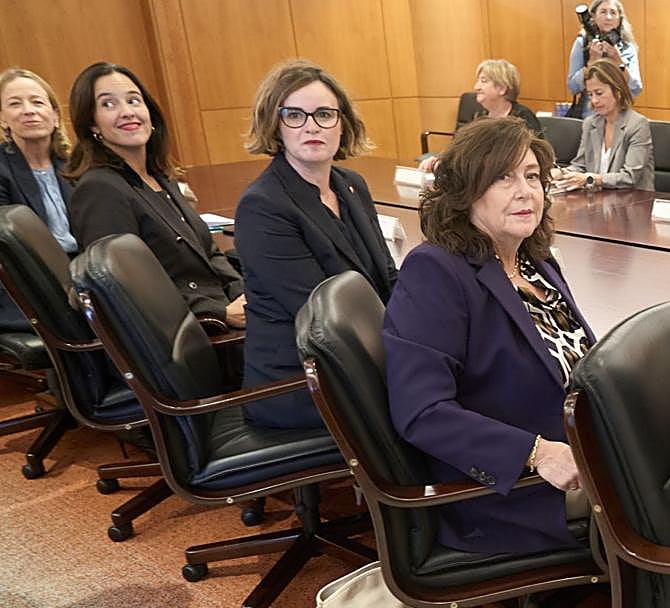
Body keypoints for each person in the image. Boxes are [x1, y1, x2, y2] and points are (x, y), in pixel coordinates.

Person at [383, 117, 593, 554]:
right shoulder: (436, 272)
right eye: (503, 177)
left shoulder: (536, 262)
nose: (525, 191)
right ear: (466, 192)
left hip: (587, 449)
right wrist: (536, 453)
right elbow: (422, 412)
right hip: (512, 488)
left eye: (532, 176)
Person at [235, 60, 396, 430]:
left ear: (342, 123)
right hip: (304, 378)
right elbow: (322, 318)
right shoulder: (263, 206)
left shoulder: (351, 185)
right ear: (275, 124)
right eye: (295, 115)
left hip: (358, 356)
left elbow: (386, 277)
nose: (311, 125)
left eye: (324, 114)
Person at [65, 62, 244, 329]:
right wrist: (219, 313)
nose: (127, 112)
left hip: (224, 315)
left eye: (133, 100)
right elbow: (128, 288)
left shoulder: (160, 178)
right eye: (108, 104)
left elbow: (209, 251)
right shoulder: (100, 189)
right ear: (92, 124)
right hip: (191, 334)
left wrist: (241, 293)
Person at [0, 68, 75, 329]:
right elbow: (9, 251)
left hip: (80, 274)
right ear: (3, 119)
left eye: (37, 102)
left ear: (55, 116)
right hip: (27, 285)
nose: (28, 110)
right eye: (15, 104)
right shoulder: (1, 169)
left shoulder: (76, 166)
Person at [418, 59, 542, 173]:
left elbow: (536, 157)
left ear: (502, 88)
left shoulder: (523, 118)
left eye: (483, 81)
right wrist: (441, 160)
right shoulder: (479, 116)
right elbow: (460, 147)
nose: (476, 87)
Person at [553, 59, 653, 192]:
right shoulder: (590, 123)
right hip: (598, 201)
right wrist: (561, 173)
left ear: (617, 92)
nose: (594, 100)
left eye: (599, 93)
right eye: (590, 94)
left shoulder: (637, 125)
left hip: (632, 203)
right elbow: (580, 165)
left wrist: (589, 179)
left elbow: (630, 177)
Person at [566, 0, 641, 120]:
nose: (608, 17)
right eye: (603, 12)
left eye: (613, 12)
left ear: (619, 19)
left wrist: (618, 61)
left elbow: (635, 89)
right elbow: (572, 87)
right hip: (589, 118)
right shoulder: (582, 44)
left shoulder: (628, 48)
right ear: (593, 17)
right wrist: (591, 62)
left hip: (620, 118)